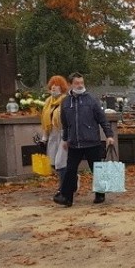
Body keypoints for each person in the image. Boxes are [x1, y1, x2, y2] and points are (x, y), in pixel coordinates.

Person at [53, 72, 114, 207]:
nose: (80, 85)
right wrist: (65, 139)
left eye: (82, 83)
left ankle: (100, 194)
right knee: (70, 170)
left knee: (96, 169)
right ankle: (66, 198)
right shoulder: (66, 102)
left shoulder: (91, 100)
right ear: (70, 85)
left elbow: (102, 119)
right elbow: (65, 123)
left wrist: (109, 135)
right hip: (74, 143)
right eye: (77, 83)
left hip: (92, 141)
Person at [41, 75, 69, 198]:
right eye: (52, 85)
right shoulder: (48, 103)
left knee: (60, 162)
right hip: (52, 134)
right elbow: (45, 121)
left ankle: (62, 188)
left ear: (61, 88)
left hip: (63, 135)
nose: (53, 87)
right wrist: (44, 137)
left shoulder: (66, 101)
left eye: (56, 85)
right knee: (53, 162)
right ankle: (71, 179)